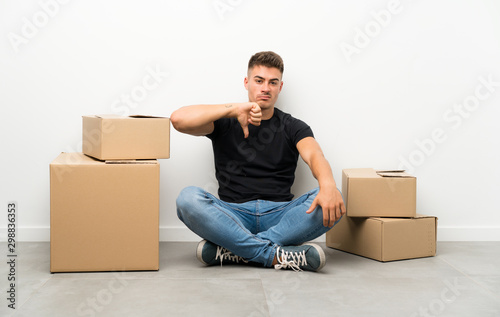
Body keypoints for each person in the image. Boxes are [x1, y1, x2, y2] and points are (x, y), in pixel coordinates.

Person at [171, 51, 345, 272]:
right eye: (259, 80)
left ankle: (235, 250)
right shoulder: (225, 122)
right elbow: (178, 120)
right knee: (187, 199)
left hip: (281, 215)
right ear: (247, 83)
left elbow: (314, 155)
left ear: (280, 87)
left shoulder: (293, 126)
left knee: (334, 198)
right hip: (233, 215)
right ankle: (273, 254)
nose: (266, 88)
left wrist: (328, 184)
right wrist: (233, 110)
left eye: (273, 82)